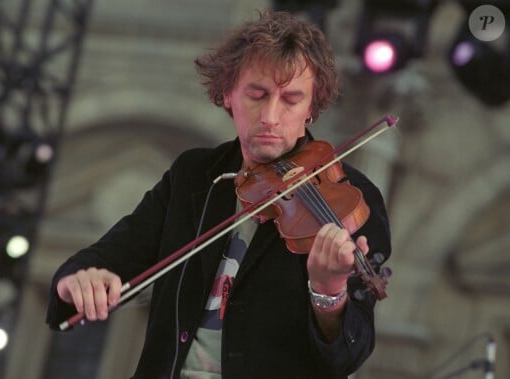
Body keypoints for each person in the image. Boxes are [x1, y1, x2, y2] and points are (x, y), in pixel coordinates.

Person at [46, 10, 391, 379]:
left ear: (311, 108)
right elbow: (113, 253)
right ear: (228, 94)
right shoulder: (195, 175)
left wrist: (329, 293)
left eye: (291, 99)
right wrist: (74, 280)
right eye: (257, 95)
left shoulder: (349, 197)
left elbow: (349, 355)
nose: (271, 116)